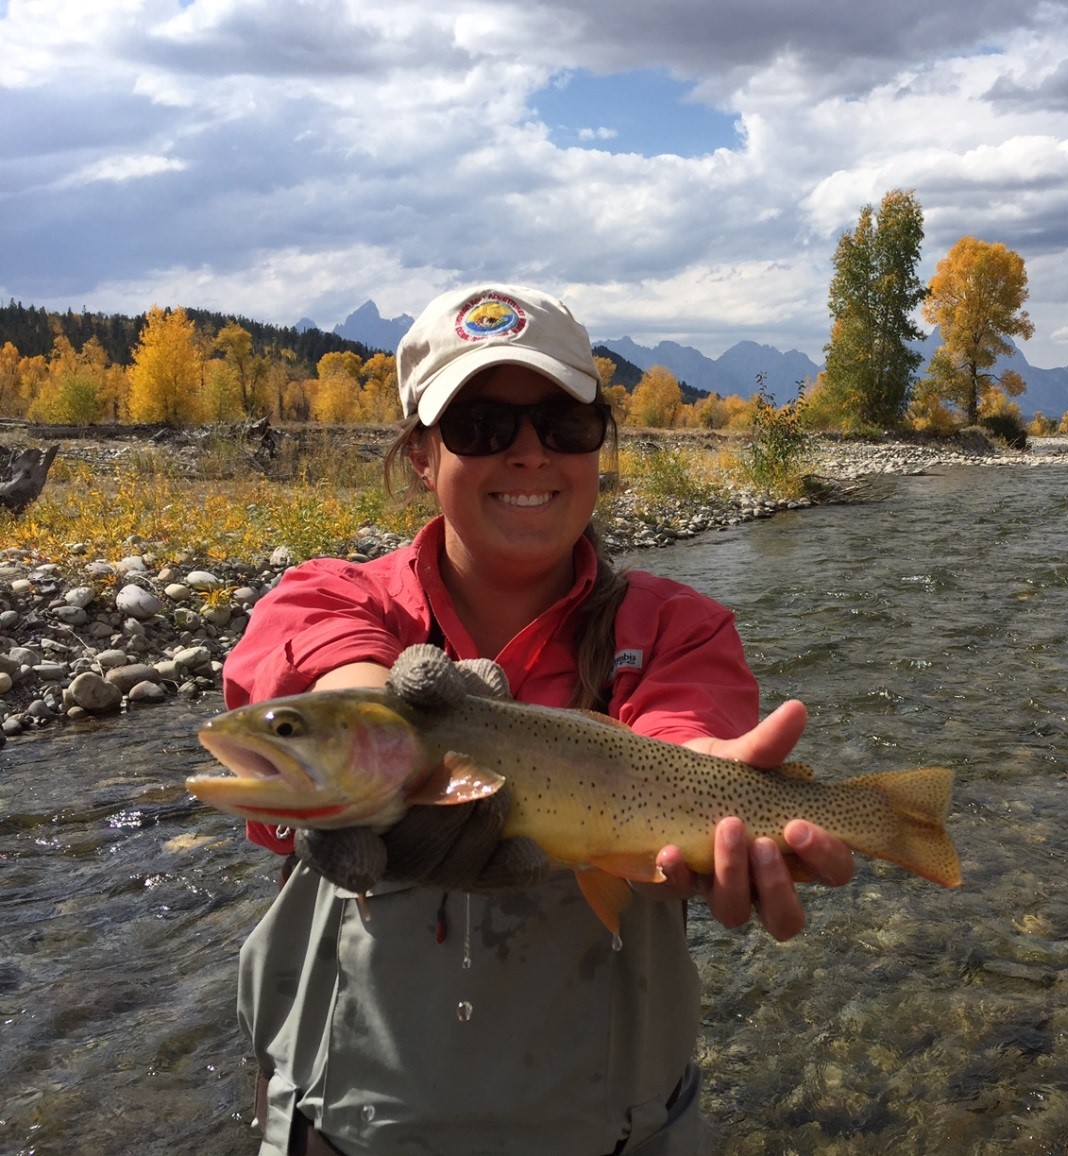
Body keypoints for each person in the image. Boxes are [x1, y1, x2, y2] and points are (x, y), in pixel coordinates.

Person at [223, 283, 856, 1156]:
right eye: (481, 427)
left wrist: (719, 802)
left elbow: (681, 743)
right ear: (419, 454)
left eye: (562, 425)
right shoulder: (331, 594)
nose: (528, 456)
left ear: (598, 446)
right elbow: (320, 660)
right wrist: (373, 730)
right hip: (344, 1135)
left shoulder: (676, 628)